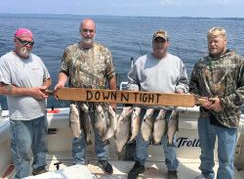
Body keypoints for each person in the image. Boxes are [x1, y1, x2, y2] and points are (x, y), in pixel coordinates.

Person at [54, 18, 116, 175]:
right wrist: (61, 82)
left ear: (95, 32)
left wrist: (113, 98)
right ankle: (78, 162)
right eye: (85, 30)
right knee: (79, 133)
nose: (88, 33)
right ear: (80, 31)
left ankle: (102, 159)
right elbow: (64, 71)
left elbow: (111, 76)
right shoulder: (70, 50)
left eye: (91, 31)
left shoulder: (104, 51)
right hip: (78, 103)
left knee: (102, 132)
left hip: (100, 103)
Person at [127, 30, 189, 179]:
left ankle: (172, 169)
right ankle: (139, 163)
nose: (159, 44)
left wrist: (180, 90)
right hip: (145, 110)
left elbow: (184, 82)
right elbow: (132, 81)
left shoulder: (176, 61)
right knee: (142, 140)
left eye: (162, 41)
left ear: (168, 43)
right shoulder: (141, 61)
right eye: (156, 41)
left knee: (170, 143)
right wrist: (135, 91)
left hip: (168, 112)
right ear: (152, 43)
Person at [190, 27, 244, 179]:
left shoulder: (238, 61)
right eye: (210, 41)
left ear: (225, 41)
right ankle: (206, 175)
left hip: (228, 120)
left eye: (216, 41)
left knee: (225, 159)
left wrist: (223, 102)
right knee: (205, 154)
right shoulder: (201, 63)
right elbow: (193, 86)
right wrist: (201, 101)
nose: (212, 44)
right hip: (205, 117)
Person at [0, 28, 51, 179]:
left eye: (31, 43)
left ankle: (39, 169)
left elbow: (47, 79)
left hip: (41, 114)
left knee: (41, 148)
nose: (28, 45)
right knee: (22, 153)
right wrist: (31, 92)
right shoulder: (6, 60)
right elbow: (2, 88)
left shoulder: (37, 59)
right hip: (20, 118)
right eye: (24, 41)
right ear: (14, 40)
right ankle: (22, 176)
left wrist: (45, 86)